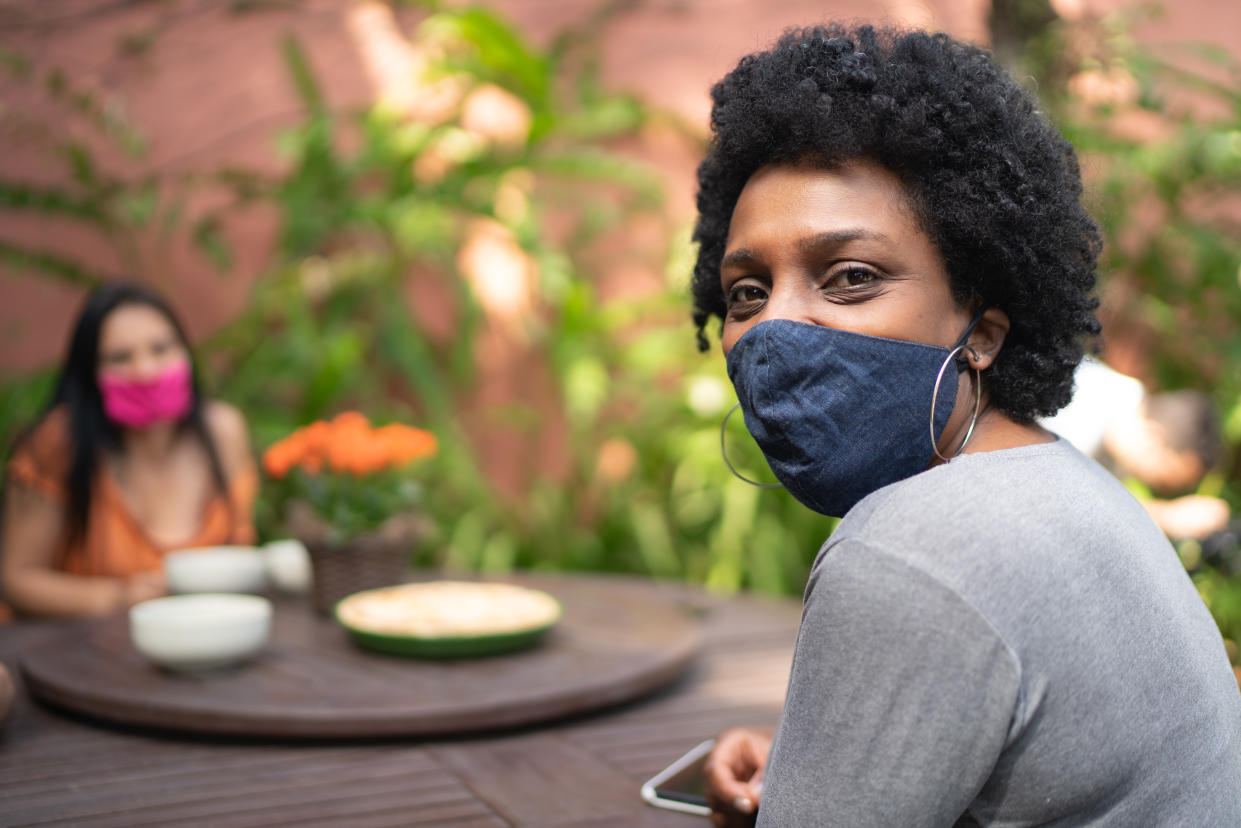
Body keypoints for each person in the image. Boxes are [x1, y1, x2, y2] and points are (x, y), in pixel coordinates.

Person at [690, 24, 1241, 827]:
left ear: (981, 329)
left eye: (849, 277)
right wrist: (825, 756)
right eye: (746, 291)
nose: (776, 327)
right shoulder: (1059, 479)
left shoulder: (909, 543)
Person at [2, 282, 256, 618]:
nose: (146, 371)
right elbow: (16, 579)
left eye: (161, 349)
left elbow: (241, 556)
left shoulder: (223, 432)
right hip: (78, 651)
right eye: (120, 358)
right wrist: (115, 598)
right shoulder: (58, 442)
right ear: (90, 374)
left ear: (186, 354)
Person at [1042, 358, 1230, 540]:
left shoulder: (1107, 446)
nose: (1149, 484)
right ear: (1156, 439)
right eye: (1163, 483)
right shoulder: (1078, 407)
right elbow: (1063, 505)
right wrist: (1167, 517)